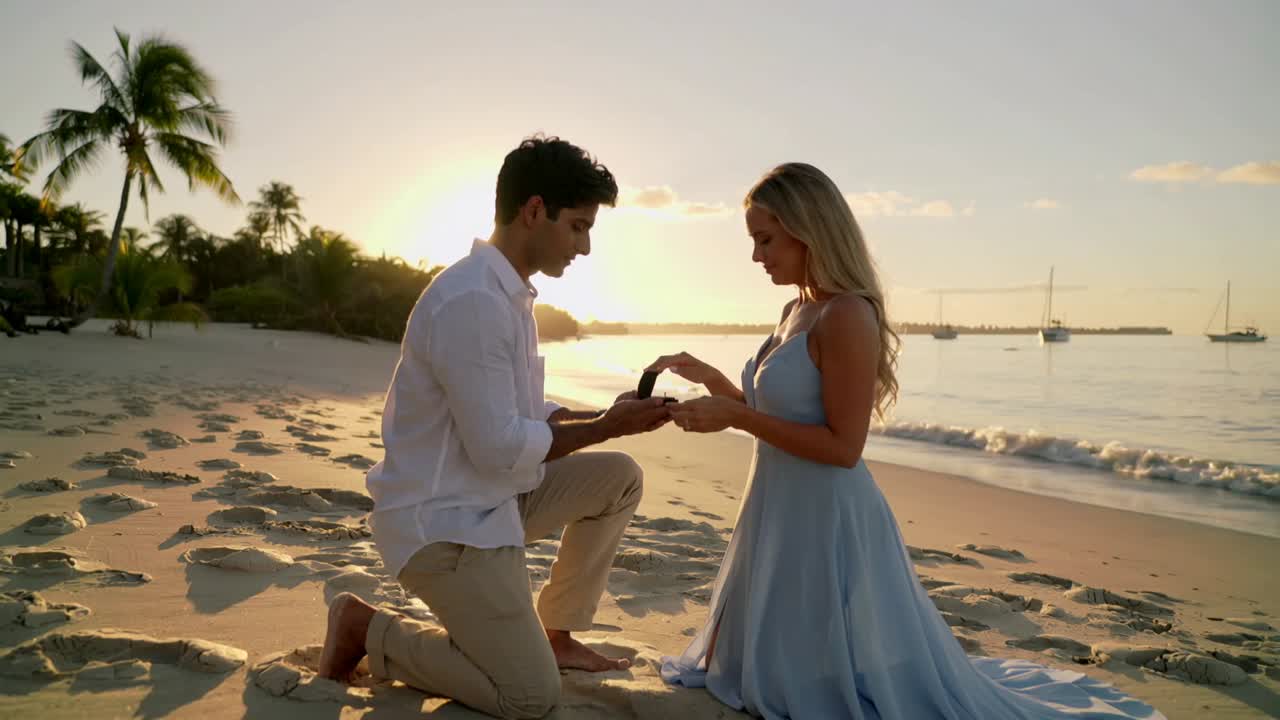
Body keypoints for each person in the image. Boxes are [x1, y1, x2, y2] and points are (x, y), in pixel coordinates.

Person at [654, 163, 1165, 719]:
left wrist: (737, 416)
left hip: (826, 516)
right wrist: (714, 382)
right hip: (776, 508)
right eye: (755, 241)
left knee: (830, 684)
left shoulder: (847, 314)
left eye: (765, 239)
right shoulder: (793, 309)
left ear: (809, 228)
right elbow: (771, 412)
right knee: (777, 673)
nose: (757, 256)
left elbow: (844, 447)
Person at [318, 135, 673, 719]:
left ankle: (555, 634)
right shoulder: (473, 302)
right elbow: (499, 449)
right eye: (578, 226)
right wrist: (606, 425)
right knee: (529, 697)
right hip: (445, 525)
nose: (584, 247)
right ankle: (367, 628)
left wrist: (611, 419)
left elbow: (527, 416)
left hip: (489, 499)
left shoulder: (510, 296)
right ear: (535, 211)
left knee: (619, 478)